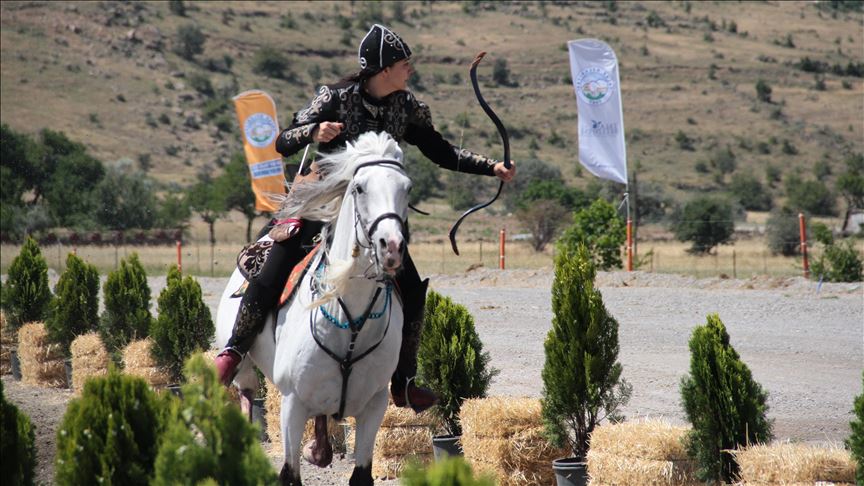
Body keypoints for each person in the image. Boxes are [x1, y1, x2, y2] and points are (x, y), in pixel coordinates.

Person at [216, 24, 516, 413]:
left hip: (373, 214)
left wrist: (490, 167)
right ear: (382, 68)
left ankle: (403, 382)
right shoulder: (335, 98)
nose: (410, 70)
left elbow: (440, 151)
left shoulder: (406, 106)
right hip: (323, 200)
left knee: (410, 287)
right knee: (275, 264)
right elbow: (282, 141)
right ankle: (234, 350)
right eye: (404, 64)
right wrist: (314, 131)